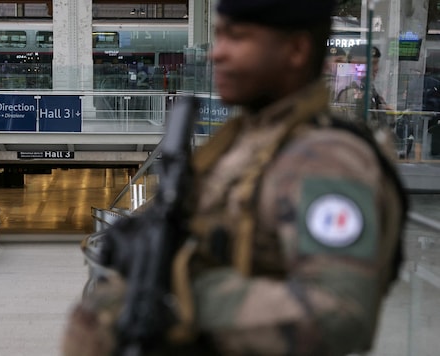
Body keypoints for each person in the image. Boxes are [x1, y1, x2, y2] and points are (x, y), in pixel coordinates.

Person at [62, 0, 408, 355]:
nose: (217, 54)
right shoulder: (249, 141)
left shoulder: (326, 160)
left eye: (237, 38)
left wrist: (175, 292)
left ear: (296, 49)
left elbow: (340, 313)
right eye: (218, 36)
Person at [336, 45, 391, 129]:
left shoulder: (369, 88)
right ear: (355, 64)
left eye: (376, 63)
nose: (376, 68)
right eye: (372, 63)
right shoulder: (350, 89)